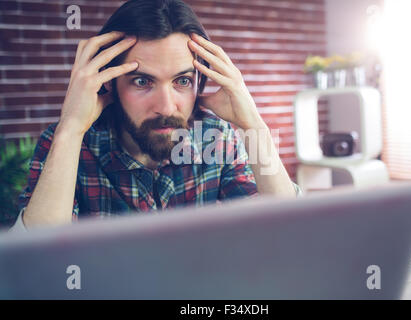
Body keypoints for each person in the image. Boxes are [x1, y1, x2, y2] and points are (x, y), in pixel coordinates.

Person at [11, 0, 301, 231]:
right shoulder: (70, 143)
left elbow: (290, 231)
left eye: (182, 81)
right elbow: (36, 264)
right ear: (109, 83)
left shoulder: (218, 138)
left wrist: (252, 124)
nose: (166, 107)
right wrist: (71, 128)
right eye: (142, 82)